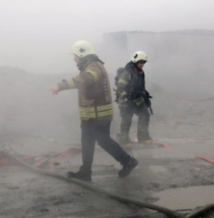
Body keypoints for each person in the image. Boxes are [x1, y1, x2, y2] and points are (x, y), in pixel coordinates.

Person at [49, 41, 138, 182]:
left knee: (103, 141)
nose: (74, 59)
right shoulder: (90, 66)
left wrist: (61, 86)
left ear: (82, 54)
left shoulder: (94, 67)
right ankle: (85, 172)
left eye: (75, 56)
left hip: (99, 115)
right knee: (87, 141)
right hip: (91, 114)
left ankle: (128, 162)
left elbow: (82, 80)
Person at [116, 51, 153, 148]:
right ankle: (124, 140)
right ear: (135, 61)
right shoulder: (127, 72)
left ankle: (143, 137)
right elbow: (120, 87)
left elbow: (141, 87)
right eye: (140, 62)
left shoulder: (141, 72)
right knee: (126, 120)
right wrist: (126, 98)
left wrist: (145, 97)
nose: (142, 65)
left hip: (137, 100)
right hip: (126, 102)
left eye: (143, 62)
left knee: (145, 115)